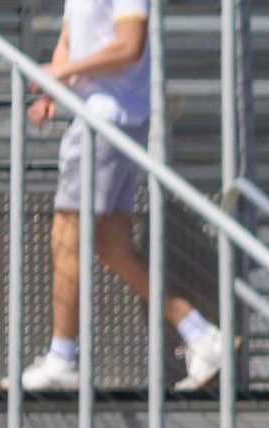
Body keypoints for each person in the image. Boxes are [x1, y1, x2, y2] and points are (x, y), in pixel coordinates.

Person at [16, 0, 225, 395]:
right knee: (111, 246)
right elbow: (68, 40)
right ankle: (200, 335)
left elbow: (130, 45)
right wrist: (52, 89)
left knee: (67, 234)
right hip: (101, 117)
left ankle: (62, 358)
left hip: (109, 119)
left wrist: (63, 71)